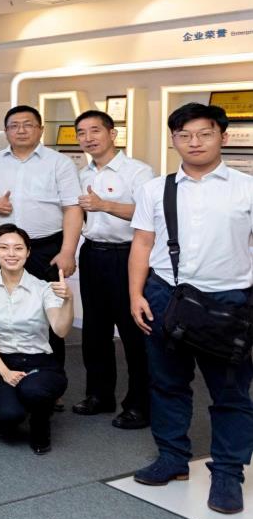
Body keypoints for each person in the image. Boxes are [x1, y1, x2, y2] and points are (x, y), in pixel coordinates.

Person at [129, 102, 253, 514]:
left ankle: (228, 473)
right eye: (184, 135)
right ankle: (172, 458)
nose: (194, 142)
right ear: (174, 140)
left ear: (223, 136)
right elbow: (142, 243)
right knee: (167, 383)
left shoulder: (246, 187)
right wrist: (136, 295)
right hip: (166, 294)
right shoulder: (155, 189)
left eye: (204, 133)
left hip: (228, 300)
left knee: (230, 392)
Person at [73, 109, 154, 429]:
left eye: (95, 130)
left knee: (134, 334)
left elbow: (149, 213)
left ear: (112, 134)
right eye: (81, 133)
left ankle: (139, 405)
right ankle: (99, 395)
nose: (88, 138)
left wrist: (104, 205)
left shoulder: (138, 171)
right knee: (95, 331)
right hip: (93, 254)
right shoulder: (82, 173)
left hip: (128, 256)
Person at [0, 104, 83, 365]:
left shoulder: (59, 163)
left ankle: (50, 372)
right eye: (14, 126)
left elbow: (73, 208)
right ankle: (0, 371)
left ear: (40, 129)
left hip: (45, 248)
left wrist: (68, 251)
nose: (21, 130)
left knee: (49, 310)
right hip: (2, 248)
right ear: (6, 131)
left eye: (28, 124)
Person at [0, 224, 72, 454]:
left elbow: (60, 330)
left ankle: (41, 423)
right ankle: (16, 404)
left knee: (32, 390)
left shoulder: (43, 288)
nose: (11, 254)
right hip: (2, 361)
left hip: (40, 362)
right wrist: (4, 372)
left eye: (18, 248)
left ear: (28, 252)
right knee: (9, 416)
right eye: (4, 247)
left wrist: (68, 300)